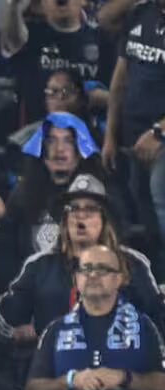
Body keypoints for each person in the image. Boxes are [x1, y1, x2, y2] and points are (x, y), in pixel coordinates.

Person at [24, 245, 165, 390]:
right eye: (86, 269)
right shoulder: (56, 330)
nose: (92, 275)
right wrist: (71, 380)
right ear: (76, 278)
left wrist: (124, 378)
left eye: (102, 269)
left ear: (119, 279)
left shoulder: (143, 327)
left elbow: (161, 385)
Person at [0, 174, 164, 339]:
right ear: (65, 219)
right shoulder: (40, 266)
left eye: (90, 209)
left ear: (105, 220)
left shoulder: (132, 264)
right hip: (54, 360)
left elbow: (157, 323)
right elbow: (7, 317)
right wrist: (18, 333)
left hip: (119, 361)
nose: (80, 215)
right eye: (74, 208)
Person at [0, 112, 103, 291]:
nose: (59, 149)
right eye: (52, 141)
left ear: (80, 150)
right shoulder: (22, 194)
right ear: (42, 148)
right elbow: (5, 256)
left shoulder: (97, 193)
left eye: (68, 141)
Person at [102, 0, 165, 265]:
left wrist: (160, 131)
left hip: (159, 135)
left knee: (159, 192)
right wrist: (109, 135)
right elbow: (119, 82)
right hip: (131, 132)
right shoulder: (141, 13)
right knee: (142, 210)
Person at [1, 0, 105, 124]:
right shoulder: (30, 35)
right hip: (38, 132)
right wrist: (14, 6)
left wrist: (86, 96)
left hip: (86, 133)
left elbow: (113, 93)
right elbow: (12, 42)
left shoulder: (101, 40)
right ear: (42, 4)